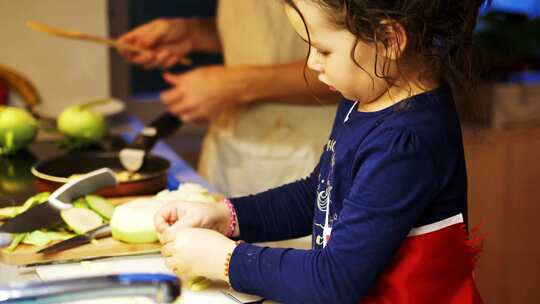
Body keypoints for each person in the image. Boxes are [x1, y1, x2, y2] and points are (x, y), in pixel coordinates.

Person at [155, 0, 488, 303]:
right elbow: (319, 196)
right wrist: (228, 217)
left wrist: (226, 260)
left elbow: (334, 280)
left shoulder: (407, 142)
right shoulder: (363, 98)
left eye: (324, 50)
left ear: (389, 41)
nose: (312, 63)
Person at [118, 0, 339, 197]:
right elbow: (267, 31)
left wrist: (236, 84)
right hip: (227, 152)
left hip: (307, 161)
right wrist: (197, 33)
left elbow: (358, 64)